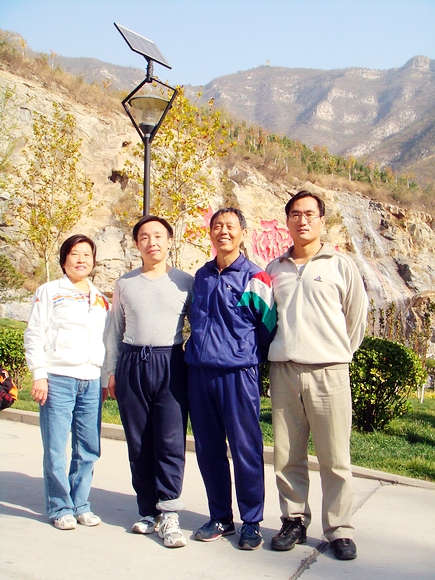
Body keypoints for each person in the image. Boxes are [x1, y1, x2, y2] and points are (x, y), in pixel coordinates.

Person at [266, 190, 368, 560]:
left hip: (330, 373)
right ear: (287, 221)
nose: (302, 220)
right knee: (287, 455)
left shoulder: (341, 265)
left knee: (335, 458)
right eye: (295, 214)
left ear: (322, 220)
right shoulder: (274, 268)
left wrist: (336, 353)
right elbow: (268, 320)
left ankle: (339, 529)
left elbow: (356, 318)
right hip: (285, 372)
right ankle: (294, 520)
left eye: (310, 214)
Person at [185, 207, 277, 551]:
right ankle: (220, 517)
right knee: (208, 449)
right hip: (200, 373)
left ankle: (251, 521)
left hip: (239, 374)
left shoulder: (255, 277)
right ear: (210, 233)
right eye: (217, 226)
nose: (223, 231)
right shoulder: (202, 275)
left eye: (230, 226)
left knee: (245, 449)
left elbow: (268, 326)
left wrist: (243, 352)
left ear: (242, 234)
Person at [106, 216, 193, 549]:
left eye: (158, 236)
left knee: (170, 441)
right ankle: (147, 511)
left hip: (170, 362)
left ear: (169, 241)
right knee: (139, 442)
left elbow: (199, 325)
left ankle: (169, 513)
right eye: (144, 237)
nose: (151, 242)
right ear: (136, 244)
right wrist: (111, 371)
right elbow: (114, 330)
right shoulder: (125, 283)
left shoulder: (185, 282)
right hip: (132, 362)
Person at [24, 234, 110, 530]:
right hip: (58, 378)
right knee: (56, 448)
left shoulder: (100, 299)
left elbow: (105, 341)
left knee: (88, 448)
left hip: (91, 380)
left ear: (94, 261)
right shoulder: (50, 291)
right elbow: (34, 334)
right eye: (75, 253)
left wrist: (104, 378)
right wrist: (39, 374)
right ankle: (60, 507)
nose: (81, 259)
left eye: (87, 254)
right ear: (64, 260)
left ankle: (81, 504)